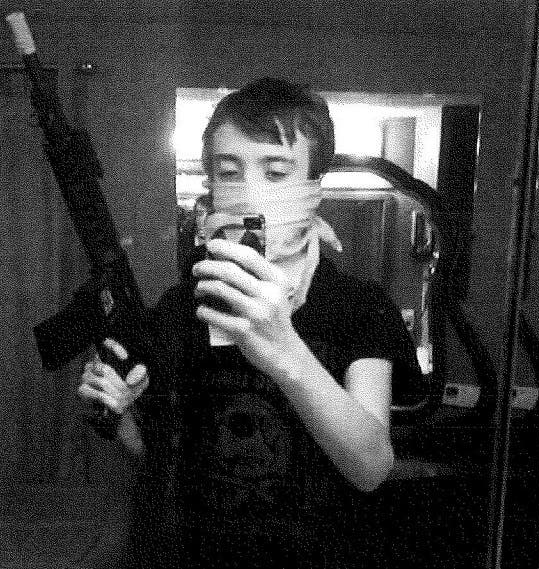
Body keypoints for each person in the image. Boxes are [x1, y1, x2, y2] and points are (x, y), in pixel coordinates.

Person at [78, 78, 422, 568]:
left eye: (276, 171)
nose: (252, 192)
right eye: (228, 171)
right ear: (210, 186)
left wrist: (283, 348)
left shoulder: (359, 308)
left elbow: (370, 467)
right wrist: (120, 412)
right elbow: (158, 458)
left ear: (314, 185)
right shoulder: (180, 309)